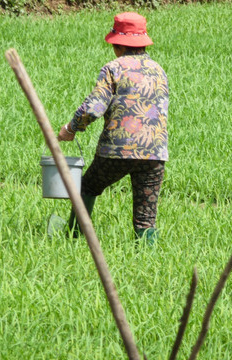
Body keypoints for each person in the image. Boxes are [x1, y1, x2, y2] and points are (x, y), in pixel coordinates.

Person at [58, 12, 169, 245]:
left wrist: (71, 128)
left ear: (117, 45)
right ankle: (148, 259)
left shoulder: (113, 68)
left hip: (118, 150)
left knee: (88, 186)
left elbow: (94, 108)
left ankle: (74, 235)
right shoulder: (159, 70)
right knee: (145, 217)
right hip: (155, 152)